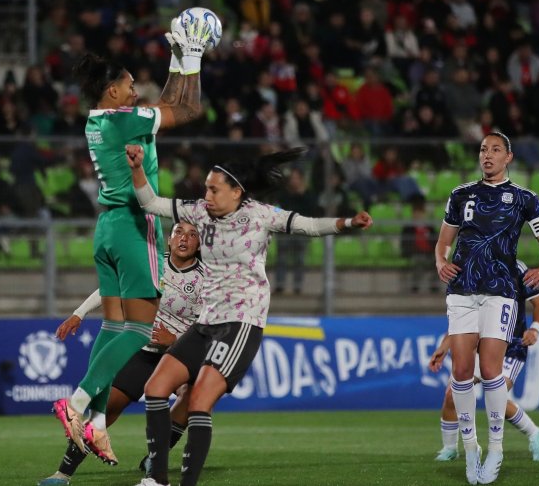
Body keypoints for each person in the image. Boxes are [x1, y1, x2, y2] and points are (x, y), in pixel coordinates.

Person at [124, 145, 373, 486]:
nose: (206, 195)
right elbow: (150, 203)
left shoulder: (260, 215)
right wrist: (137, 168)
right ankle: (157, 479)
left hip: (240, 323)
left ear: (236, 191)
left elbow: (309, 226)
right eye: (206, 188)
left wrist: (348, 223)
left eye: (214, 189)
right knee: (155, 388)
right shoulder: (198, 212)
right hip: (206, 320)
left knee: (198, 402)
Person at [53, 17, 213, 466]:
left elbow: (164, 100)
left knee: (114, 327)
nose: (133, 90)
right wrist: (193, 59)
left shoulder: (100, 118)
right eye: (126, 85)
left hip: (105, 228)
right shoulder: (124, 121)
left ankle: (99, 423)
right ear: (111, 93)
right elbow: (186, 109)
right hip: (132, 226)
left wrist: (179, 55)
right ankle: (79, 402)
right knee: (141, 330)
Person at [434, 132, 539, 485]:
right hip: (461, 290)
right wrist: (440, 262)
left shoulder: (525, 199)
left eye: (495, 150)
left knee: (490, 371)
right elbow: (443, 243)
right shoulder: (460, 195)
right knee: (460, 371)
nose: (487, 155)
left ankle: (496, 450)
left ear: (509, 157)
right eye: (483, 149)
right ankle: (470, 450)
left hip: (500, 292)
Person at [40, 222, 204, 486]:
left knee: (192, 394)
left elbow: (208, 329)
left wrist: (174, 340)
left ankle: (157, 457)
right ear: (170, 239)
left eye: (192, 234)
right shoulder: (151, 265)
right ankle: (63, 473)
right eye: (178, 232)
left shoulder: (206, 280)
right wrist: (78, 313)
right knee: (107, 406)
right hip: (144, 352)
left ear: (199, 244)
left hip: (179, 355)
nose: (184, 238)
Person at [429, 260, 539, 463]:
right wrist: (444, 346)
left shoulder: (516, 268)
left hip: (511, 347)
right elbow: (462, 319)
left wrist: (535, 328)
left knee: (497, 398)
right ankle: (449, 448)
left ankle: (535, 433)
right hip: (480, 345)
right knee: (452, 394)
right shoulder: (469, 268)